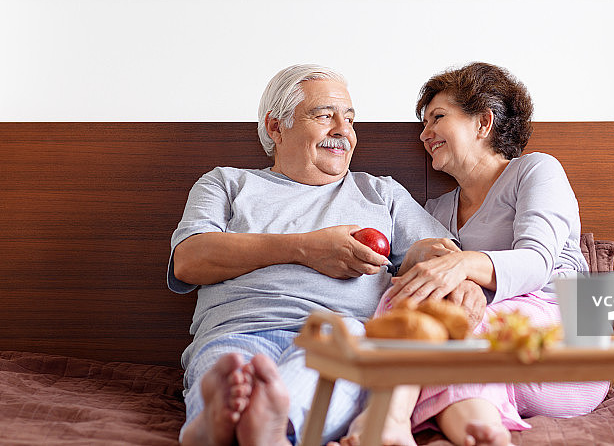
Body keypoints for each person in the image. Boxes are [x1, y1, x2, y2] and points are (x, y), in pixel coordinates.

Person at [168, 64, 463, 446]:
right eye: (325, 116)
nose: (343, 130)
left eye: (350, 119)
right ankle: (223, 420)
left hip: (337, 335)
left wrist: (425, 254)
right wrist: (307, 248)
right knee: (224, 372)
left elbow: (449, 263)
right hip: (237, 332)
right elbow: (189, 259)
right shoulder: (226, 183)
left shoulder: (380, 193)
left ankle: (262, 424)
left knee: (348, 353)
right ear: (276, 128)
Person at [334, 62, 608, 446]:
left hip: (568, 340)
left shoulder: (536, 171)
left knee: (450, 316)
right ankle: (477, 430)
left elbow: (536, 262)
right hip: (492, 357)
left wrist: (459, 266)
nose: (424, 134)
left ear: (484, 122)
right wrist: (417, 263)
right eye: (423, 125)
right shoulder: (436, 209)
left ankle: (388, 417)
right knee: (414, 300)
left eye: (437, 118)